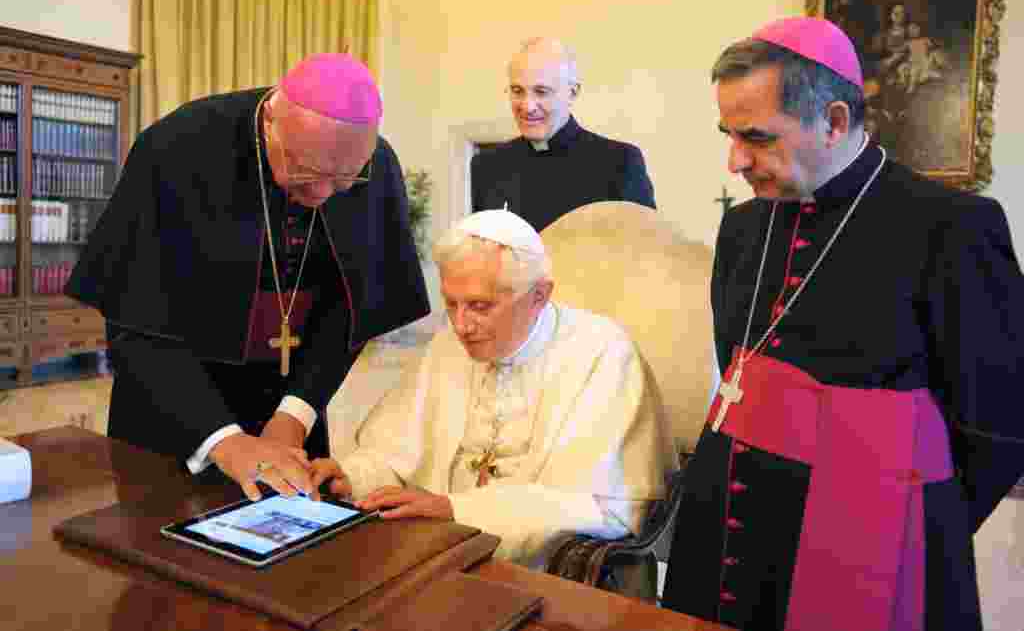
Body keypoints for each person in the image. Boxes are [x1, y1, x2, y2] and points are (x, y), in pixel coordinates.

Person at [662, 17, 1024, 631]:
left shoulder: (952, 226)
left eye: (756, 138)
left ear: (831, 122)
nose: (735, 161)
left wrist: (915, 520)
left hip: (874, 536)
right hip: (727, 529)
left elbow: (998, 423)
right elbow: (736, 365)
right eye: (728, 134)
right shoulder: (745, 228)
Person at [66, 54, 430, 500]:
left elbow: (351, 314)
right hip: (176, 412)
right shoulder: (178, 147)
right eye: (305, 172)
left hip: (290, 411)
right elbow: (136, 320)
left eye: (342, 182)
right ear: (273, 118)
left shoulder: (375, 166)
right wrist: (224, 440)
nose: (319, 195)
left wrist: (294, 415)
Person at [309, 209, 674, 567]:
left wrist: (456, 509)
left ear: (539, 296)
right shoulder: (448, 345)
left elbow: (602, 507)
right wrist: (352, 477)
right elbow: (393, 454)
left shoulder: (602, 353)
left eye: (480, 306)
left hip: (544, 574)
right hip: (438, 551)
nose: (462, 325)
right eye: (451, 304)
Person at [471, 38, 655, 232]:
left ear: (572, 93)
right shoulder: (486, 167)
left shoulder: (619, 163)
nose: (527, 106)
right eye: (518, 91)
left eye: (541, 92)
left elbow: (644, 252)